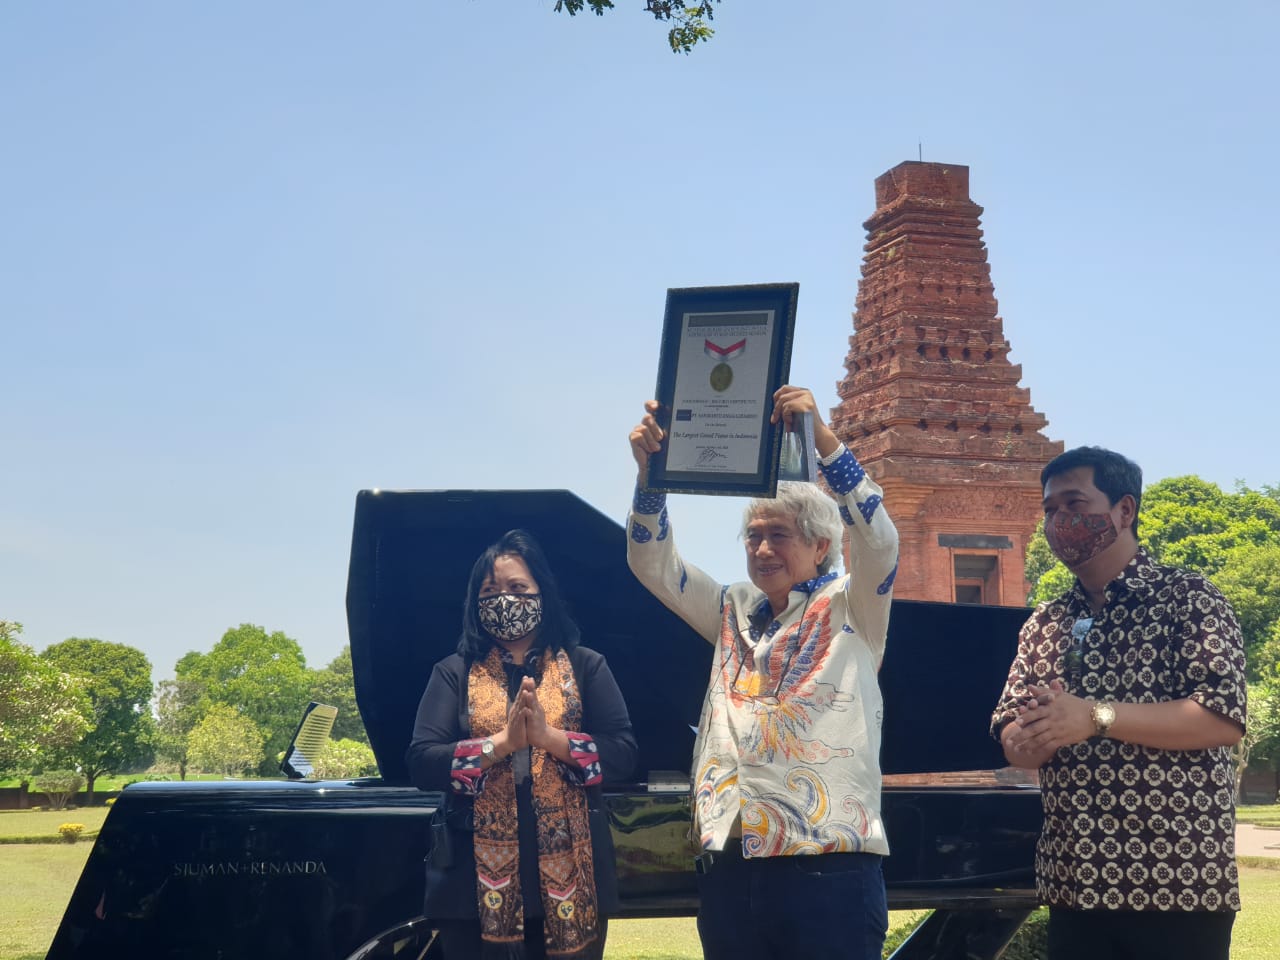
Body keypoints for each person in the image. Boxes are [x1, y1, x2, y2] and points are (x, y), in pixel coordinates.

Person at [626, 385, 899, 960]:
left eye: (779, 534)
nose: (762, 548)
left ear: (822, 545)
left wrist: (824, 441)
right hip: (732, 859)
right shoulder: (731, 608)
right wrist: (651, 478)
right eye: (753, 535)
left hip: (828, 863)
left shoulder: (855, 608)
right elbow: (653, 563)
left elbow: (879, 538)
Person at [991, 446, 1247, 960]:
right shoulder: (1045, 623)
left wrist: (1094, 717)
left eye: (1074, 502)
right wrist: (1033, 734)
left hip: (1175, 883)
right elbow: (1012, 743)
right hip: (1075, 881)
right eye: (1049, 508)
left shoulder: (1189, 598)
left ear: (1124, 510)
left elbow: (1221, 718)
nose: (1060, 520)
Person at [406, 529, 638, 960]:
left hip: (573, 877)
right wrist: (502, 743)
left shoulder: (587, 666)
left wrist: (548, 738)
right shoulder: (453, 672)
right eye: (490, 591)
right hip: (469, 886)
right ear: (475, 603)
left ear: (542, 594)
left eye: (517, 588)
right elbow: (421, 762)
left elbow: (623, 754)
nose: (504, 600)